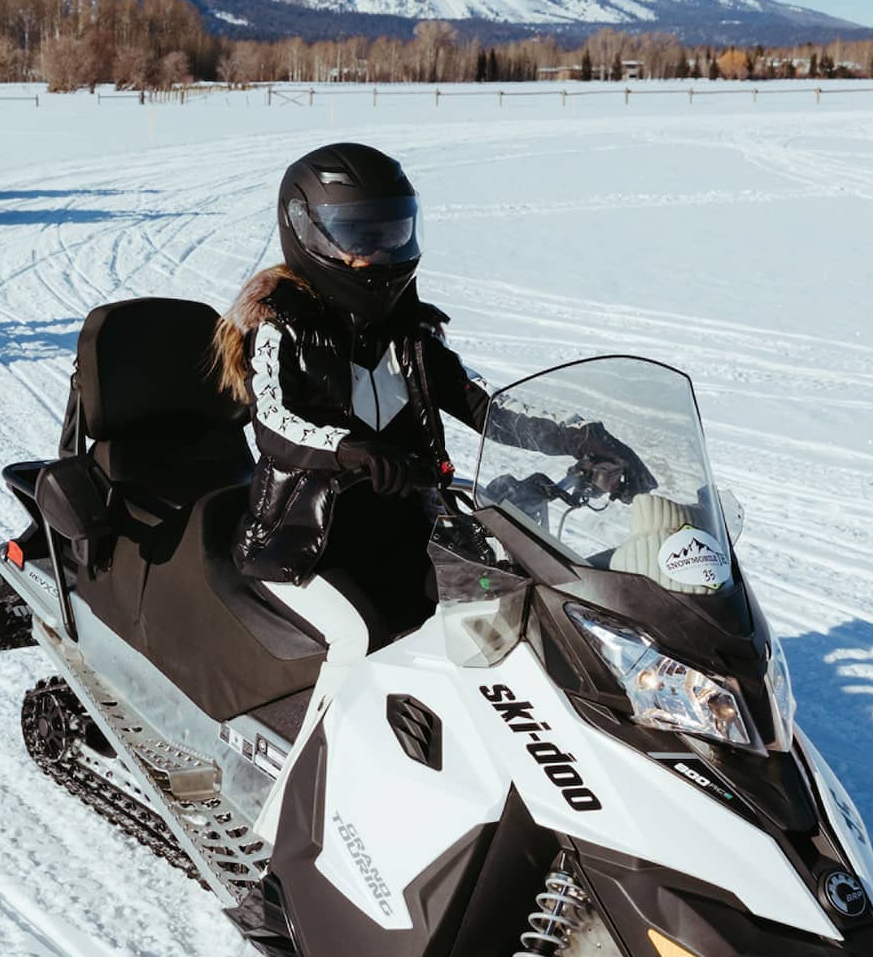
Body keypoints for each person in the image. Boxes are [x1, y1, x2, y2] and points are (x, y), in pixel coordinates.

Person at [212, 142, 653, 680]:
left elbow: (484, 403)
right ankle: (317, 762)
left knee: (496, 617)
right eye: (358, 235)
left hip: (411, 527)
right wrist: (349, 450)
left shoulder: (409, 332)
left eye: (391, 232)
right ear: (307, 232)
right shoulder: (282, 325)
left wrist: (581, 438)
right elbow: (277, 423)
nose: (377, 253)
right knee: (363, 640)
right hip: (306, 540)